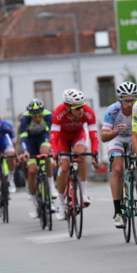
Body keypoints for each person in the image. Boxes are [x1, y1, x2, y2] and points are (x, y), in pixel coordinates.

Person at [50, 89, 100, 221]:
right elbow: (54, 138)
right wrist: (55, 156)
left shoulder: (88, 112)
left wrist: (95, 155)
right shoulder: (59, 112)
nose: (81, 110)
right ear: (67, 107)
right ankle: (61, 203)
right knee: (64, 168)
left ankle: (84, 193)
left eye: (82, 106)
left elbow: (94, 137)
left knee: (81, 154)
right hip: (62, 139)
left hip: (78, 135)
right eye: (77, 108)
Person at [101, 82, 137, 228]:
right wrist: (116, 131)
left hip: (133, 138)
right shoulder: (112, 110)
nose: (130, 104)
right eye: (126, 101)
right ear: (119, 101)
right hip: (116, 138)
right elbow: (104, 137)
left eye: (133, 100)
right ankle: (117, 212)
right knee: (117, 169)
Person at [18, 99, 56, 219]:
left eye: (40, 115)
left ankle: (51, 187)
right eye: (35, 116)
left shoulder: (49, 116)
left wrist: (54, 151)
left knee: (45, 154)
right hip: (29, 142)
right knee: (33, 170)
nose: (38, 118)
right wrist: (25, 151)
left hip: (42, 138)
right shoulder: (25, 119)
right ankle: (33, 203)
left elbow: (54, 134)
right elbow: (23, 138)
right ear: (30, 115)